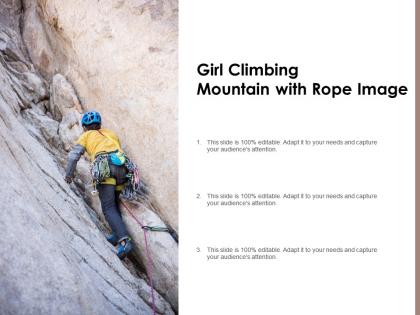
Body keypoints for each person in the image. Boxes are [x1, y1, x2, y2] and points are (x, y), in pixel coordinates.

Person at [64, 110, 133, 259]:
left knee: (108, 207)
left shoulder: (85, 136)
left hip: (104, 167)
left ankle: (124, 241)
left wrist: (68, 175)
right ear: (100, 124)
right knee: (114, 203)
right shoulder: (110, 133)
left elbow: (73, 156)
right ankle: (116, 234)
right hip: (122, 168)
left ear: (84, 127)